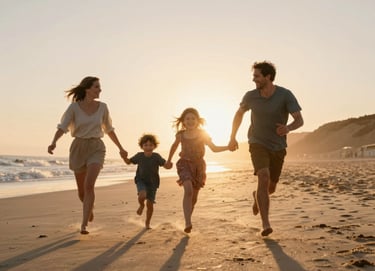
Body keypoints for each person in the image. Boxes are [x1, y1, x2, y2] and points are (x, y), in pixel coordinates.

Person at [228, 61, 304, 236]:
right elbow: (239, 114)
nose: (253, 79)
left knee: (270, 188)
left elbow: (299, 120)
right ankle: (265, 224)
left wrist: (288, 128)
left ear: (268, 76)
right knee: (263, 176)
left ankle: (257, 195)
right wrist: (232, 137)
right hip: (257, 142)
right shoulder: (250, 96)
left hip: (278, 146)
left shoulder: (285, 95)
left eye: (257, 76)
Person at [47, 76, 128, 235]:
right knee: (82, 192)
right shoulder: (74, 108)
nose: (100, 90)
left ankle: (83, 225)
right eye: (97, 87)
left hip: (96, 147)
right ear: (87, 89)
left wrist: (121, 148)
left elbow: (109, 129)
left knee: (89, 185)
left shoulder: (103, 107)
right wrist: (53, 142)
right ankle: (89, 208)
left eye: (100, 87)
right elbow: (62, 127)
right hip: (78, 147)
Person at [166, 107, 231, 233]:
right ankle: (187, 222)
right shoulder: (181, 135)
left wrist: (228, 147)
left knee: (194, 198)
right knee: (188, 190)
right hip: (184, 164)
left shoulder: (203, 134)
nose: (190, 121)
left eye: (193, 118)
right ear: (183, 121)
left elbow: (214, 148)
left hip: (199, 166)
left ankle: (188, 218)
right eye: (187, 118)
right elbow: (174, 147)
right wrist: (168, 160)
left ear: (197, 121)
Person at [122, 134, 171, 229]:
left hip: (153, 183)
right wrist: (124, 157)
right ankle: (141, 205)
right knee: (142, 195)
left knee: (150, 205)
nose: (148, 147)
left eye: (150, 145)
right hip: (141, 180)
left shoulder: (156, 156)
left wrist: (169, 165)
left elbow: (165, 165)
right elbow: (128, 162)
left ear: (154, 146)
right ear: (142, 146)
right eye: (146, 145)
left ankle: (147, 222)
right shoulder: (139, 156)